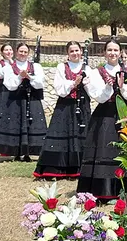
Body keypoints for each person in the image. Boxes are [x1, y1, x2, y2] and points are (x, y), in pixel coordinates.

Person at [77, 40, 127, 199]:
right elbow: (98, 97)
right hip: (104, 115)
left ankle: (124, 188)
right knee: (103, 148)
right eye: (109, 50)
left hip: (124, 113)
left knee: (125, 149)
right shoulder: (97, 72)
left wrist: (122, 86)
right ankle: (101, 190)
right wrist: (109, 87)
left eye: (115, 50)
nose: (112, 53)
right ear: (104, 53)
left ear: (120, 52)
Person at [34, 42, 90, 179]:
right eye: (72, 51)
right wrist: (73, 83)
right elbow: (59, 88)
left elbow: (92, 89)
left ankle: (80, 168)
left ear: (81, 51)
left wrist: (87, 84)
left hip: (82, 105)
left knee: (81, 135)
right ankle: (56, 168)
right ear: (68, 53)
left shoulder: (87, 68)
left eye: (77, 50)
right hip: (65, 105)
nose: (75, 53)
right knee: (61, 136)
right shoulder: (61, 67)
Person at [0, 43, 48, 161]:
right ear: (16, 52)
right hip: (15, 99)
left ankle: (28, 152)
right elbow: (9, 85)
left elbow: (40, 82)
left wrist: (29, 77)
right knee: (15, 124)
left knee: (30, 124)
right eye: (21, 51)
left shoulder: (35, 66)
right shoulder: (8, 67)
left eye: (25, 52)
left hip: (31, 98)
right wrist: (20, 77)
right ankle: (16, 152)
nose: (23, 54)